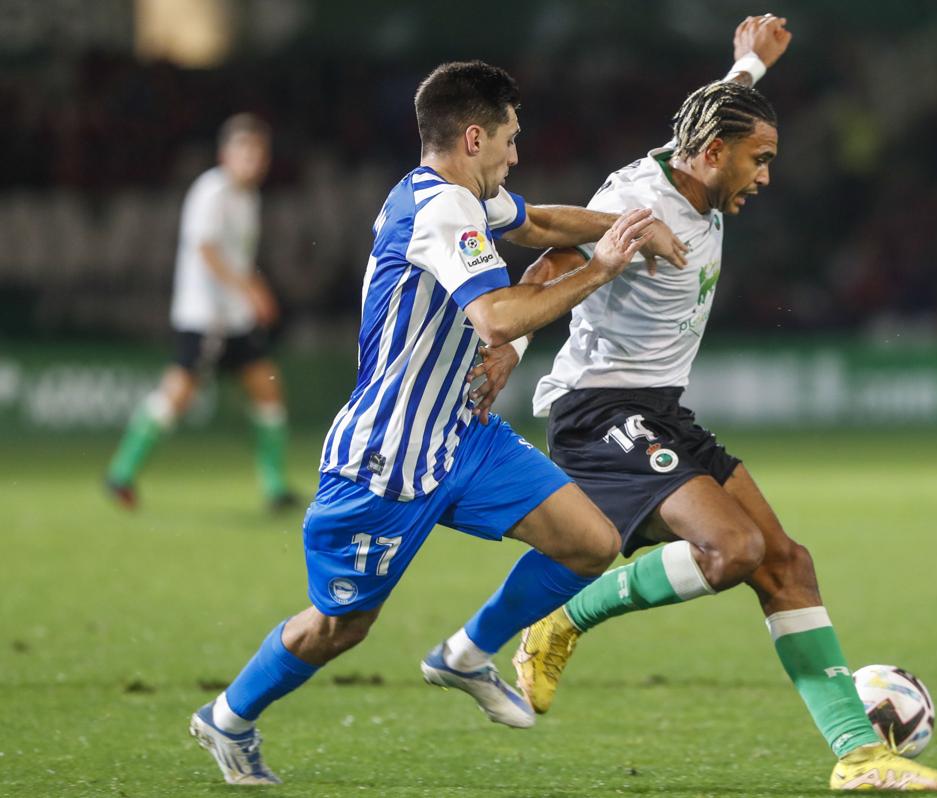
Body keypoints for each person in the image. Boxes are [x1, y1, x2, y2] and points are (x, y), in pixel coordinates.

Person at [188, 60, 687, 786]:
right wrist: (605, 266)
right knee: (339, 627)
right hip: (386, 461)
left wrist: (640, 226)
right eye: (512, 140)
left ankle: (464, 655)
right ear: (476, 137)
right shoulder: (441, 211)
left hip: (462, 436)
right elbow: (496, 315)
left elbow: (544, 222)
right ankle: (228, 717)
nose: (517, 155)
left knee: (591, 543)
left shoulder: (459, 197)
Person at [502, 16, 937, 792]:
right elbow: (550, 256)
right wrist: (503, 351)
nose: (767, 176)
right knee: (734, 550)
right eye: (762, 160)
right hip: (600, 412)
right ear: (715, 155)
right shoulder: (639, 201)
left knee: (787, 563)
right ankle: (559, 620)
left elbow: (721, 107)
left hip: (658, 409)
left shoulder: (698, 157)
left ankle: (858, 758)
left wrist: (748, 62)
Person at [105, 113, 297, 511]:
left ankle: (275, 487)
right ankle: (121, 473)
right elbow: (206, 250)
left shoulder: (248, 198)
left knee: (267, 389)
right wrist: (252, 288)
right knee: (177, 396)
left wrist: (249, 294)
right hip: (205, 316)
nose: (253, 160)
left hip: (234, 318)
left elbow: (234, 257)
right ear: (226, 154)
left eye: (259, 153)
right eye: (245, 151)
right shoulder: (211, 192)